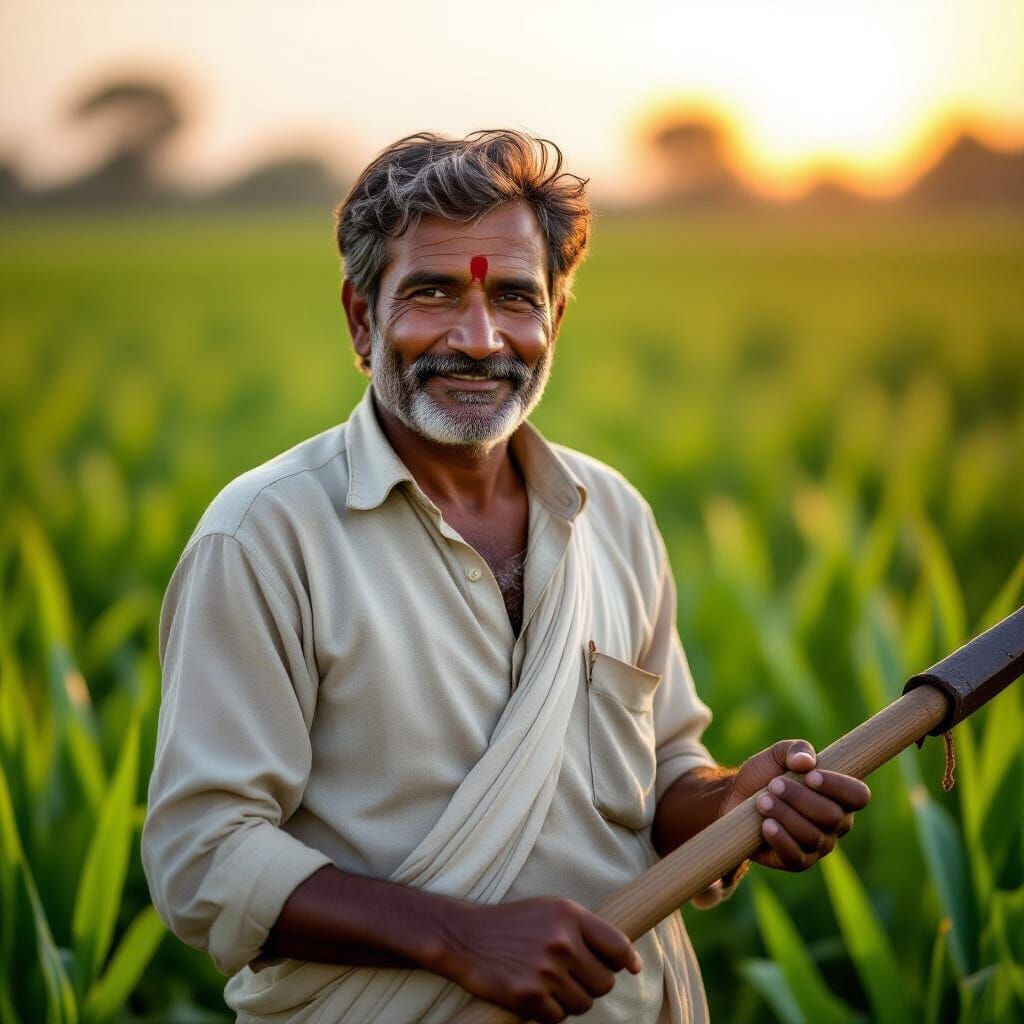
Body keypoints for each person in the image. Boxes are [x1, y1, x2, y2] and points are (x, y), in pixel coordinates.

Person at [142, 130, 870, 1024]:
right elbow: (204, 859)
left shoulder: (615, 515)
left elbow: (665, 776)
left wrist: (736, 803)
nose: (481, 340)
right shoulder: (263, 538)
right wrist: (460, 938)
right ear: (362, 319)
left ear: (555, 320)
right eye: (434, 293)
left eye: (516, 298)